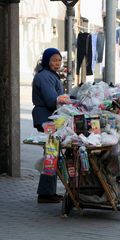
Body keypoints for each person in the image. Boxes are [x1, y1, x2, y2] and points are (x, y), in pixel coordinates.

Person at [32, 48, 64, 203]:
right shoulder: (45, 76)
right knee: (51, 153)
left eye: (59, 60)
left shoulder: (50, 75)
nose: (57, 63)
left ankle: (48, 192)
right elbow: (52, 100)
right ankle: (45, 194)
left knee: (52, 154)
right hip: (46, 118)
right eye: (53, 60)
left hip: (48, 117)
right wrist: (66, 100)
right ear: (46, 61)